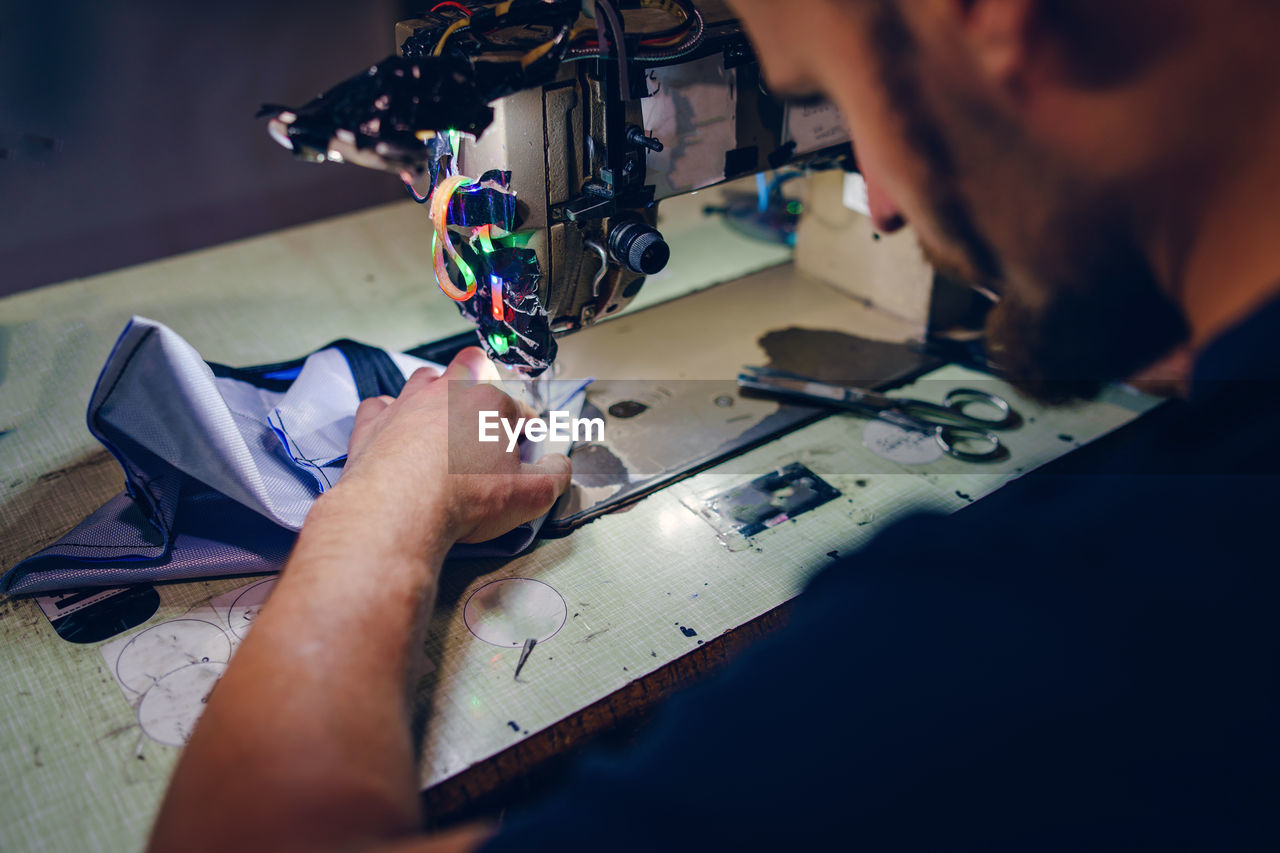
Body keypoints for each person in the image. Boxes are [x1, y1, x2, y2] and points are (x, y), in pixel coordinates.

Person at [147, 0, 1280, 849]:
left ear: (983, 18)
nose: (875, 199)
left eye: (829, 87)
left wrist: (385, 503)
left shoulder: (1038, 631)